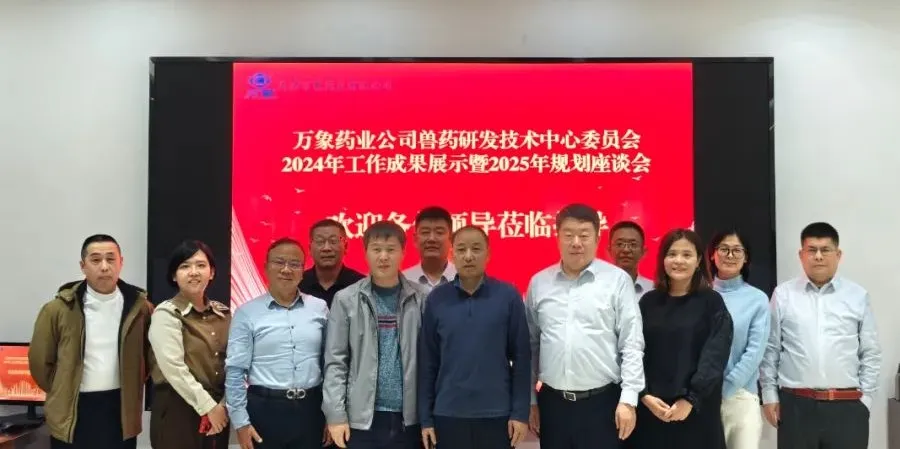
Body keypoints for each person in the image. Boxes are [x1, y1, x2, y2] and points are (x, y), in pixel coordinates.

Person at [526, 203, 645, 449]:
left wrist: (628, 400)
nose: (576, 242)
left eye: (584, 235)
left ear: (597, 239)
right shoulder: (539, 283)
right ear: (557, 237)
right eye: (568, 235)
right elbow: (531, 346)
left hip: (602, 404)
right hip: (553, 405)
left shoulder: (617, 281)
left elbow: (631, 343)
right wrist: (531, 400)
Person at [759, 222, 881, 449]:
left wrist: (865, 400)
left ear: (838, 254)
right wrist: (769, 395)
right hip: (796, 406)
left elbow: (870, 352)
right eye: (811, 250)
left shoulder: (857, 295)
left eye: (825, 250)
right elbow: (770, 349)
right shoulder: (783, 295)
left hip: (847, 408)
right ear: (801, 255)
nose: (818, 256)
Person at [29, 234, 153, 449]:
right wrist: (62, 388)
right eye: (95, 260)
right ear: (83, 266)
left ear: (121, 262)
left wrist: (134, 381)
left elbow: (149, 357)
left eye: (111, 259)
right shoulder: (58, 309)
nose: (104, 267)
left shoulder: (140, 308)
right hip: (73, 410)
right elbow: (40, 363)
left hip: (120, 409)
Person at [418, 226, 531, 449]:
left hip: (497, 414)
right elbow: (427, 363)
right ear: (452, 255)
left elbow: (521, 358)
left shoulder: (508, 296)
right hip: (448, 413)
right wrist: (426, 418)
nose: (468, 256)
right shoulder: (437, 300)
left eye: (476, 249)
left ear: (488, 254)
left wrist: (520, 413)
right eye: (461, 249)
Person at [323, 221, 429, 449]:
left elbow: (431, 361)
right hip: (362, 419)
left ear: (403, 252)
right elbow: (336, 361)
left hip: (409, 418)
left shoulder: (422, 298)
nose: (383, 257)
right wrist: (336, 414)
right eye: (376, 249)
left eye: (390, 249)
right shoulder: (346, 299)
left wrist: (428, 416)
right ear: (365, 253)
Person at [630, 229, 733, 449]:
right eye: (672, 254)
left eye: (686, 255)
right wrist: (644, 395)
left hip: (696, 411)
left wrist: (690, 399)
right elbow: (634, 351)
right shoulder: (648, 302)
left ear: (698, 261)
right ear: (663, 259)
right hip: (652, 409)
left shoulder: (712, 302)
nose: (678, 260)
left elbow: (715, 357)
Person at [226, 238, 332, 449]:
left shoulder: (319, 308)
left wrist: (332, 414)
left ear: (303, 271)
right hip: (264, 410)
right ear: (266, 267)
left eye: (294, 264)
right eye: (279, 262)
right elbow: (235, 371)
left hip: (311, 410)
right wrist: (240, 422)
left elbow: (331, 364)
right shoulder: (246, 312)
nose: (286, 269)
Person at [148, 240, 232, 449]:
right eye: (185, 266)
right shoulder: (166, 313)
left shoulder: (224, 314)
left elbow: (234, 363)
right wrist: (208, 407)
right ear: (174, 276)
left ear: (212, 273)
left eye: (201, 265)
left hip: (218, 409)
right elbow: (174, 369)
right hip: (178, 410)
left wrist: (222, 405)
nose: (193, 272)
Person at [707, 230, 770, 449]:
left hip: (741, 396)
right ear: (712, 255)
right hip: (701, 397)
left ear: (746, 258)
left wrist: (726, 388)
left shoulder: (757, 299)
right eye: (724, 249)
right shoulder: (700, 295)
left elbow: (755, 352)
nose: (730, 255)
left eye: (737, 250)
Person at [300, 219, 365, 307]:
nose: (326, 248)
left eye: (333, 241)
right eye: (320, 242)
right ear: (310, 249)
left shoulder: (361, 286)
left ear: (345, 246)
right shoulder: (297, 284)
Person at [402, 207, 456, 288]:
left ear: (451, 239)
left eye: (439, 232)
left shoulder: (464, 279)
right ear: (415, 239)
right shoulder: (402, 281)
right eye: (425, 232)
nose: (432, 239)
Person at [608, 221, 653, 298]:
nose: (626, 250)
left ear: (643, 251)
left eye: (633, 245)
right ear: (609, 250)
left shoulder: (653, 290)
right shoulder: (596, 287)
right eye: (620, 244)